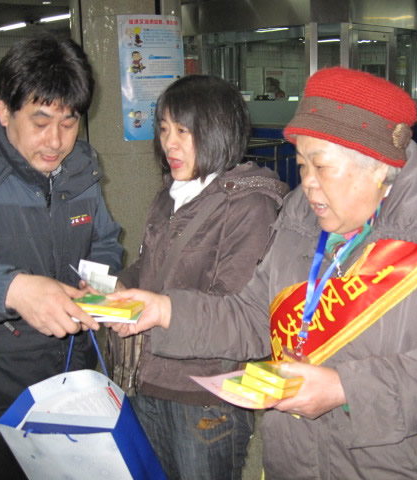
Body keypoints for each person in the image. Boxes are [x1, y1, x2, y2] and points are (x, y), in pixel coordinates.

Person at [108, 67, 417, 480]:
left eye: (322, 166)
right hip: (295, 460)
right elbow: (251, 317)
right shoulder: (296, 227)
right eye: (301, 165)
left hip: (396, 465)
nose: (308, 184)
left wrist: (345, 388)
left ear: (378, 168)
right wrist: (165, 311)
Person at [0, 35, 123, 479]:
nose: (55, 141)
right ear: (4, 111)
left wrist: (97, 284)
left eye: (69, 122)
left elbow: (104, 239)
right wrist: (14, 290)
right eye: (40, 122)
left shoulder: (80, 168)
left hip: (68, 380)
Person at [113, 74, 288, 480]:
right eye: (164, 129)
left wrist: (162, 309)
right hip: (148, 379)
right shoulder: (171, 193)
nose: (169, 144)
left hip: (204, 397)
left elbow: (239, 312)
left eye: (184, 131)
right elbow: (152, 267)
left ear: (219, 132)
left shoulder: (250, 206)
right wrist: (121, 284)